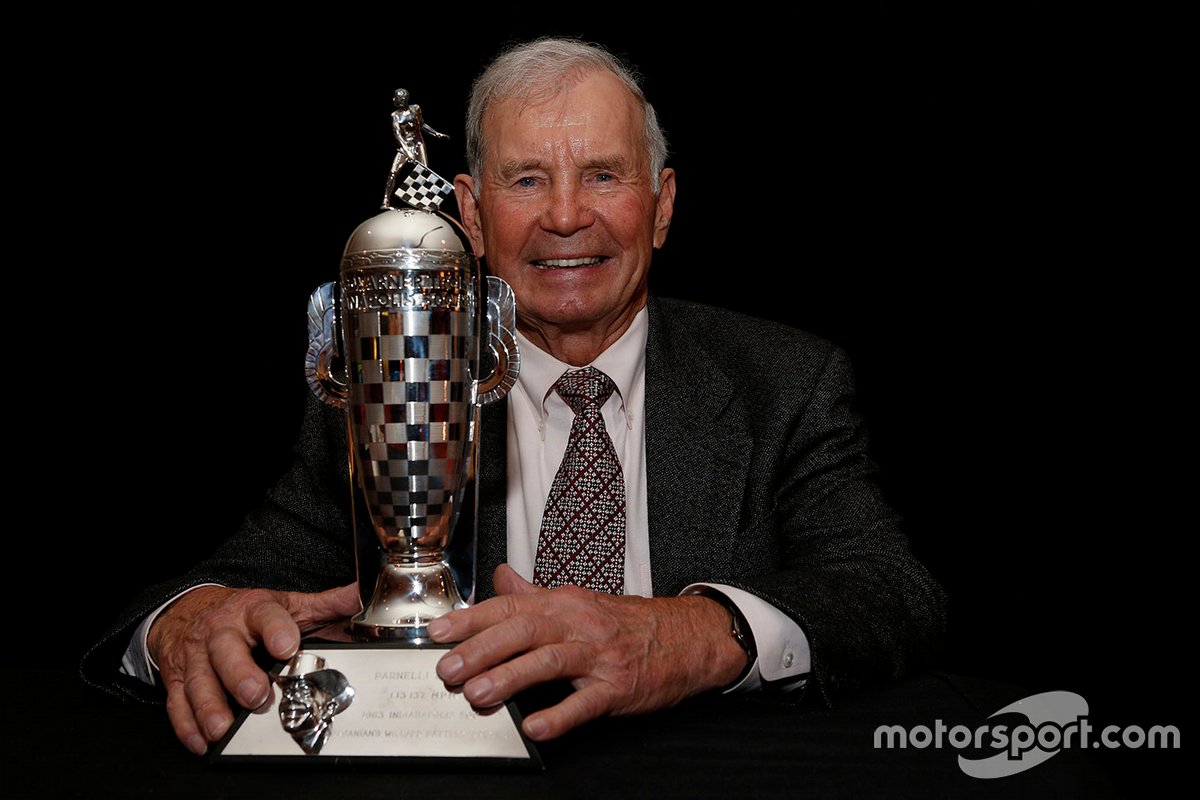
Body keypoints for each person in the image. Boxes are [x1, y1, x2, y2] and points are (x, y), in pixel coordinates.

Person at [81, 37, 946, 757]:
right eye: (527, 180)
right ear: (470, 212)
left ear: (663, 205)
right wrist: (180, 622)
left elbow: (887, 585)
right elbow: (242, 577)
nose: (566, 216)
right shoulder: (390, 383)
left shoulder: (786, 381)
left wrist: (687, 636)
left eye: (604, 176)